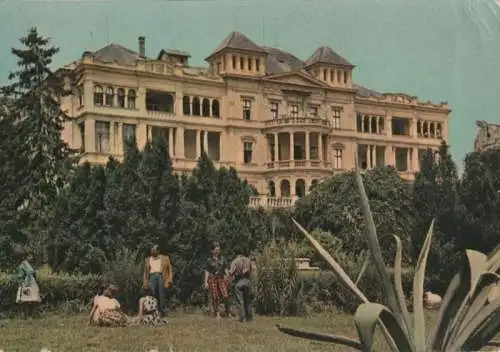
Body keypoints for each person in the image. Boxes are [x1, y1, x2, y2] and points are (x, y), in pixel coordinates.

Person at [142, 245, 173, 317]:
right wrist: (145, 282)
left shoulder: (165, 258)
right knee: (152, 294)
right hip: (152, 276)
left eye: (154, 250)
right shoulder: (147, 259)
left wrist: (170, 279)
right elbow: (145, 272)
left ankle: (162, 312)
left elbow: (170, 270)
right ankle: (153, 312)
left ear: (158, 251)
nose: (152, 251)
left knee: (161, 295)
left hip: (161, 276)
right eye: (151, 250)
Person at [204, 242, 229, 319]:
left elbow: (225, 268)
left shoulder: (223, 258)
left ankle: (227, 312)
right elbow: (207, 271)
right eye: (216, 249)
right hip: (212, 279)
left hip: (221, 278)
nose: (218, 251)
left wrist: (227, 276)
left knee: (225, 295)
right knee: (215, 296)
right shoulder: (209, 260)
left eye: (219, 249)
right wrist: (205, 282)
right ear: (212, 251)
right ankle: (217, 313)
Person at [16, 250, 41, 319]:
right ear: (26, 257)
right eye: (30, 256)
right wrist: (22, 284)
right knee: (25, 300)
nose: (31, 257)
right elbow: (20, 276)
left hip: (32, 284)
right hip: (26, 284)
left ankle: (33, 315)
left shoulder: (30, 265)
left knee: (34, 300)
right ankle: (24, 316)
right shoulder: (23, 265)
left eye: (32, 256)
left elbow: (33, 274)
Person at [229, 253, 253, 323]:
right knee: (248, 301)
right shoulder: (248, 260)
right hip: (247, 282)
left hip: (239, 282)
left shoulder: (234, 261)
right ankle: (249, 318)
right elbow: (251, 271)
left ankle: (243, 318)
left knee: (240, 301)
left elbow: (231, 272)